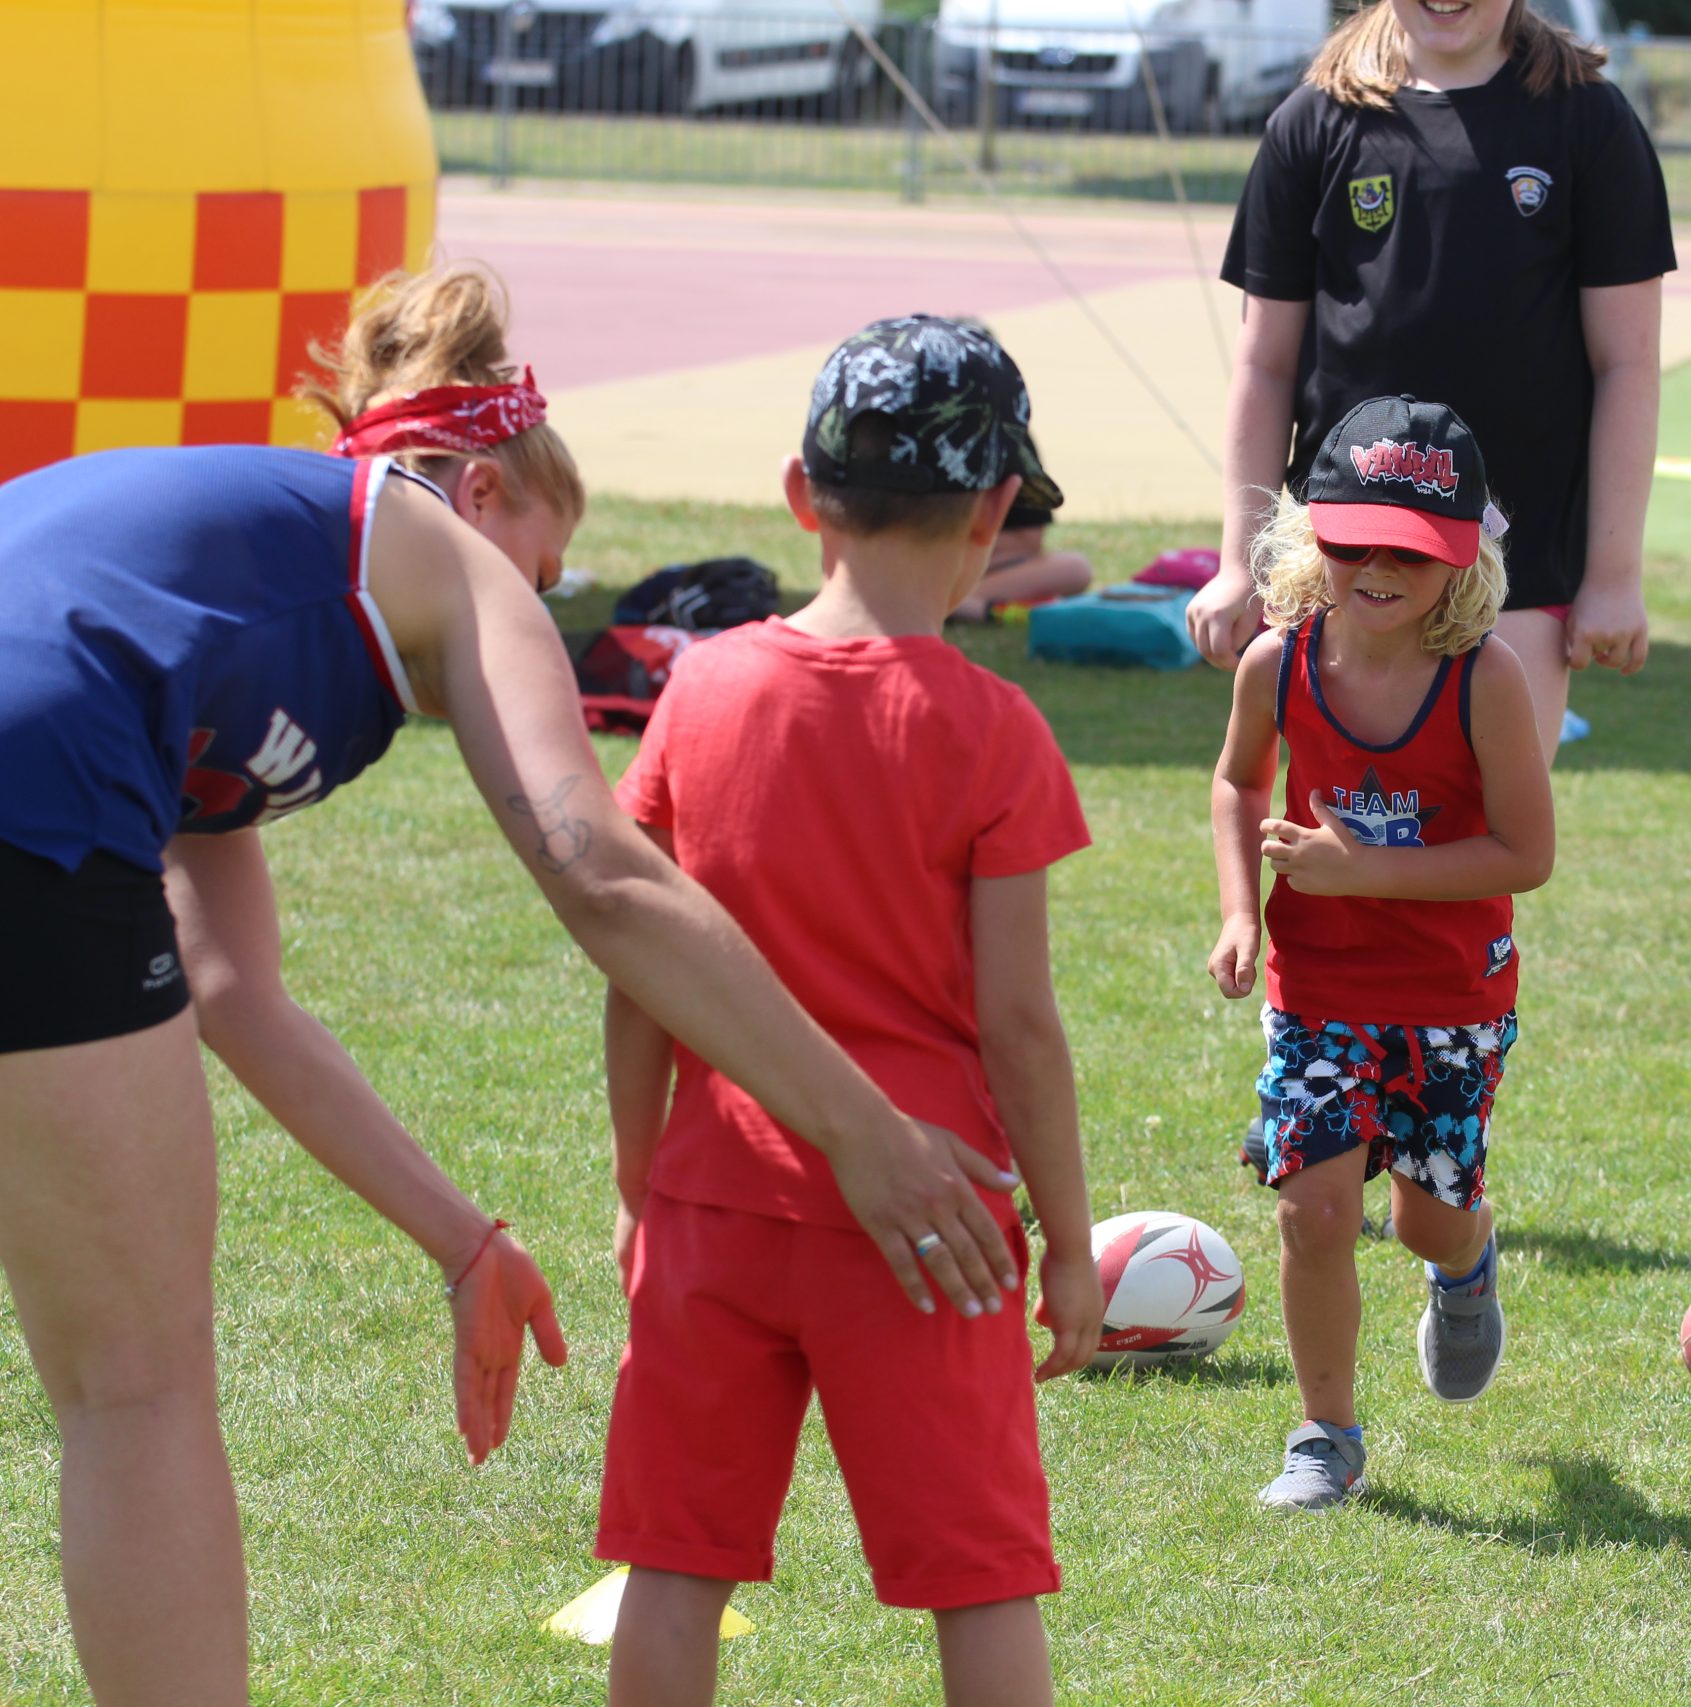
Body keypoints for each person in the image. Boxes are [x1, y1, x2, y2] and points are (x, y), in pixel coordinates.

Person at [0, 269, 1020, 1707]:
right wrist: (865, 1129)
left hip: (49, 763)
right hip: (33, 769)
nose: (541, 612)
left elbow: (233, 987)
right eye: (548, 577)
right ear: (482, 494)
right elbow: (597, 869)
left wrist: (463, 1239)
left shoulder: (228, 587)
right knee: (135, 1387)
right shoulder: (435, 555)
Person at [596, 315, 1101, 1707]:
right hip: (932, 1221)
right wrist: (1067, 1236)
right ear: (1000, 511)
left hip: (716, 1199)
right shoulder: (994, 728)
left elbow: (642, 971)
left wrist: (644, 1179)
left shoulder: (695, 689)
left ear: (798, 494)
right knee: (981, 1575)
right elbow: (1020, 1024)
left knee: (672, 1563)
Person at [1207, 396, 1554, 1510]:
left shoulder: (1485, 679)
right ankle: (1326, 1437)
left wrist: (1365, 871)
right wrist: (1238, 913)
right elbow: (1235, 782)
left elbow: (1523, 855)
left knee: (1422, 1216)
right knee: (1312, 1210)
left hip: (1450, 996)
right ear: (1314, 534)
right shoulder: (1276, 662)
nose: (1378, 563)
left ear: (1461, 560)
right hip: (1317, 988)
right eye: (1354, 536)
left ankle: (1463, 1267)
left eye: (1411, 547)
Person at [1191, 0, 1679, 759]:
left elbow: (1627, 364)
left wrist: (1612, 576)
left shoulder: (1589, 122)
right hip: (1341, 556)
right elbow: (1265, 364)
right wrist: (1237, 562)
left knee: (1485, 844)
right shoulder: (1313, 121)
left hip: (1516, 566)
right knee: (1336, 835)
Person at [949, 489, 1094, 623]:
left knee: (1074, 568)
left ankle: (957, 604)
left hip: (975, 569)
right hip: (941, 566)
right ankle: (967, 607)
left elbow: (1028, 540)